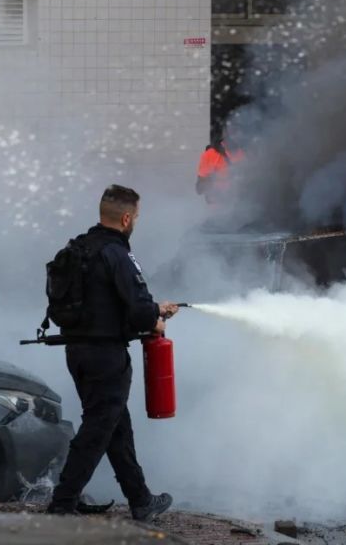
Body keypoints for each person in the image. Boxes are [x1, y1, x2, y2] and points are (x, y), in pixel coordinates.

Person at [46, 185, 181, 520]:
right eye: (135, 217)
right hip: (106, 357)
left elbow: (99, 300)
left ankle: (141, 501)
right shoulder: (117, 254)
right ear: (125, 218)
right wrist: (156, 318)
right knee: (98, 428)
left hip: (77, 352)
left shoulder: (78, 248)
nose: (135, 222)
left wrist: (152, 310)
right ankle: (62, 504)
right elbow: (137, 309)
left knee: (115, 426)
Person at [195, 125, 245, 204]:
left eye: (236, 132)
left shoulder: (243, 153)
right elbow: (200, 188)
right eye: (232, 131)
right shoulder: (210, 154)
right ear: (224, 134)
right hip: (218, 206)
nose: (235, 135)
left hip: (240, 205)